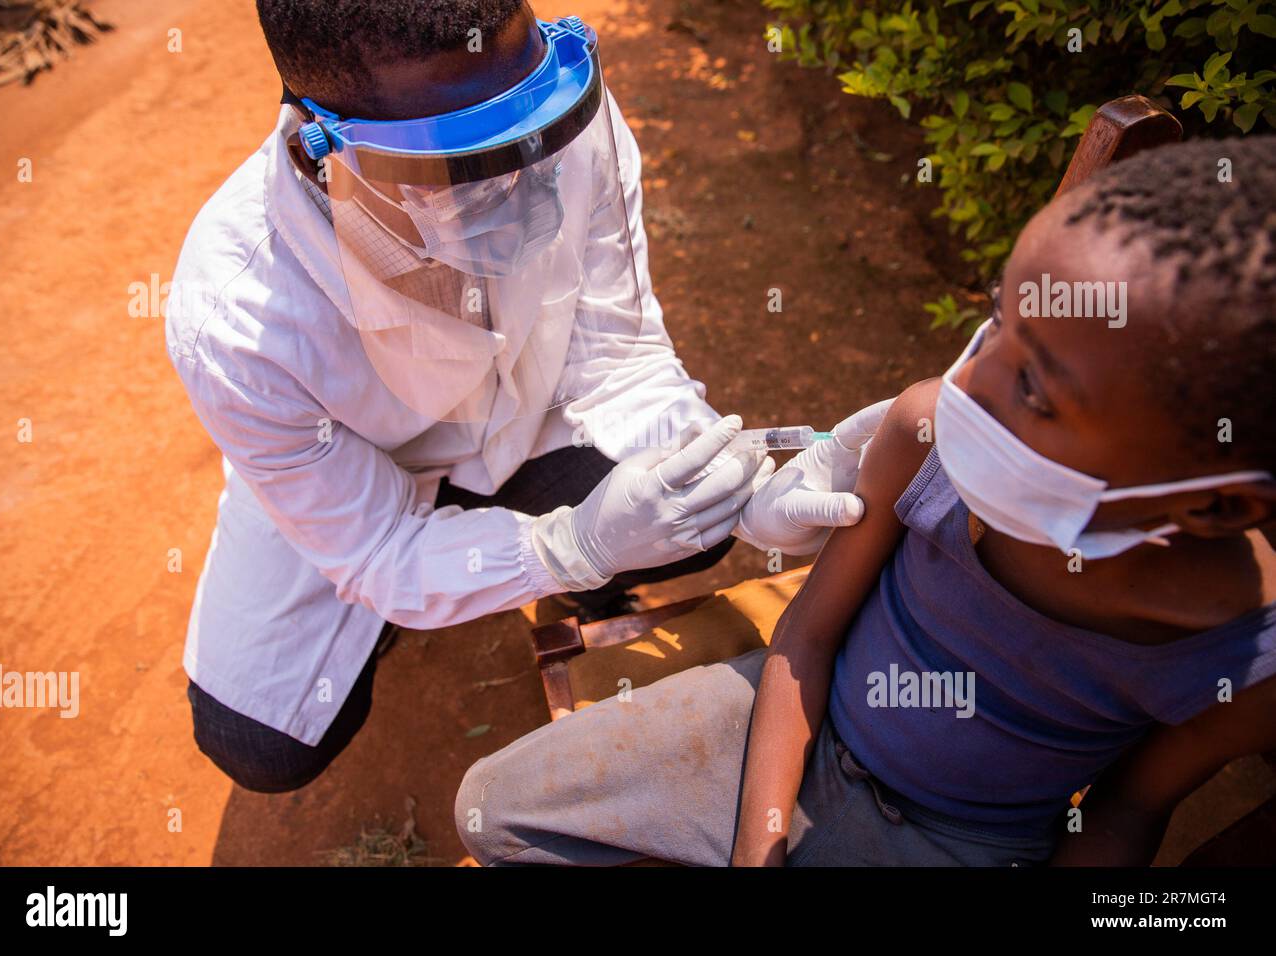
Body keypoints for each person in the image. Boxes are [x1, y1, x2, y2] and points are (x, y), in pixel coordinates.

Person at [454, 135, 1276, 866]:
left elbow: (1130, 808)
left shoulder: (1242, 656)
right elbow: (806, 637)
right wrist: (760, 840)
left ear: (1217, 509)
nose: (965, 388)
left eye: (1034, 387)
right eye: (998, 319)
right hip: (789, 725)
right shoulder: (925, 433)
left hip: (962, 845)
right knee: (496, 812)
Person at [166, 0, 891, 793]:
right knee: (264, 745)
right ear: (320, 153)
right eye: (463, 167)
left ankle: (510, 553)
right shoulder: (236, 322)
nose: (529, 184)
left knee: (694, 520)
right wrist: (570, 547)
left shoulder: (567, 124)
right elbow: (371, 549)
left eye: (531, 133)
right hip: (347, 483)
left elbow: (621, 357)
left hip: (521, 424)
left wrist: (749, 488)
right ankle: (420, 600)